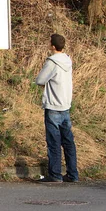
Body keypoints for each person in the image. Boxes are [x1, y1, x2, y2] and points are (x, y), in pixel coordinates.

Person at [35, 33, 79, 183]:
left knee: (54, 142)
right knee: (68, 142)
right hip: (65, 105)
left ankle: (55, 174)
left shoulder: (52, 62)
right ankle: (73, 174)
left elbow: (40, 79)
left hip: (53, 105)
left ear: (53, 46)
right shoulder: (68, 60)